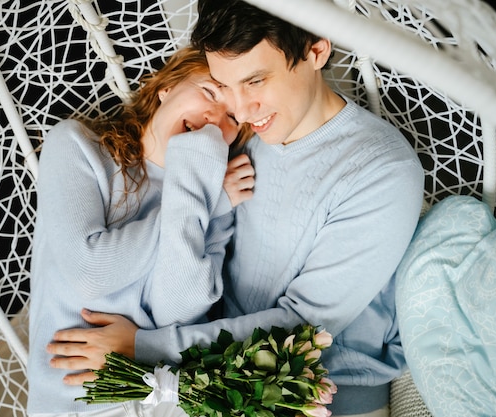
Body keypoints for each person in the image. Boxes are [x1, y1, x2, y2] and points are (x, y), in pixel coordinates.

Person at [46, 1, 425, 416]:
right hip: (206, 378)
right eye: (224, 89)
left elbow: (304, 328)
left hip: (313, 389)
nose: (241, 113)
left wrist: (139, 347)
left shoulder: (381, 169)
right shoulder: (234, 142)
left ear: (317, 51)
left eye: (256, 81)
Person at [27, 46, 255, 417]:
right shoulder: (78, 147)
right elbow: (91, 273)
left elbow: (175, 311)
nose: (215, 119)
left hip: (163, 394)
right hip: (72, 403)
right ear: (167, 87)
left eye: (232, 116)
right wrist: (203, 202)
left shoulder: (217, 200)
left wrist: (198, 195)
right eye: (210, 92)